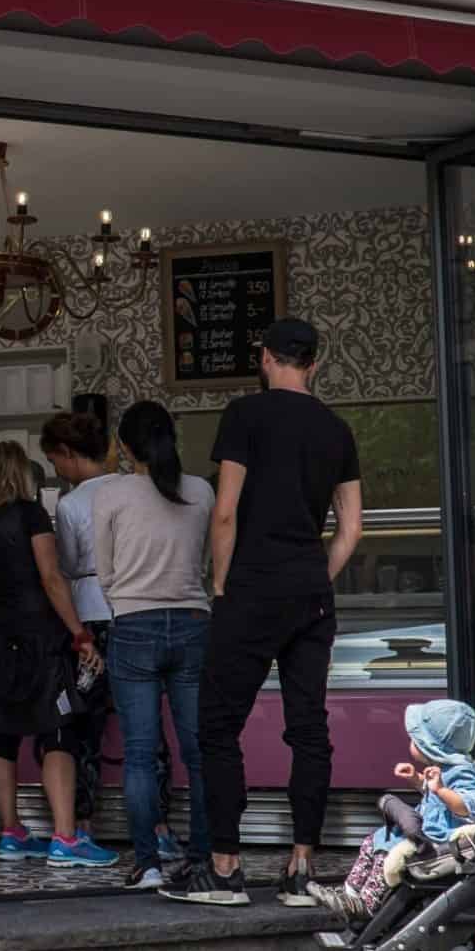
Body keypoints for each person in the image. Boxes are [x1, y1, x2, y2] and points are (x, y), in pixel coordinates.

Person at [167, 317, 361, 909]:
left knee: (219, 724)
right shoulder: (337, 428)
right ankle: (302, 867)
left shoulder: (245, 415)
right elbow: (351, 529)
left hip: (250, 588)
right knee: (309, 728)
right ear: (315, 365)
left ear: (264, 357)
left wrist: (221, 581)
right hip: (309, 595)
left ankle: (225, 869)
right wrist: (314, 578)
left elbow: (224, 511)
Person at [0, 441, 116, 867]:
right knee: (58, 729)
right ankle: (65, 837)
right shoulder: (30, 514)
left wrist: (3, 609)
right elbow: (51, 578)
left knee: (1, 737)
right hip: (40, 638)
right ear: (19, 472)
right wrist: (80, 634)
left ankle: (11, 832)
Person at [93, 400, 214, 888]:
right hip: (192, 622)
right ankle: (205, 856)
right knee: (200, 750)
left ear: (123, 446)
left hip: (133, 622)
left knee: (140, 753)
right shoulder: (201, 491)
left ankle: (147, 864)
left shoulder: (111, 494)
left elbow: (105, 571)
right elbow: (204, 562)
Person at [321, 700, 475, 920]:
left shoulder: (464, 772)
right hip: (423, 827)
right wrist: (417, 780)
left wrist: (440, 789)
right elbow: (434, 799)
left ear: (430, 746)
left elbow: (470, 806)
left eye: (415, 740)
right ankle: (350, 893)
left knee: (386, 854)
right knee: (373, 841)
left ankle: (366, 904)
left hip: (435, 839)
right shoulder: (443, 768)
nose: (410, 742)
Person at [39, 414, 123, 840]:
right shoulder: (131, 487)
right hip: (133, 610)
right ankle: (159, 826)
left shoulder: (70, 505)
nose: (56, 469)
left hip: (90, 613)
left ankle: (84, 823)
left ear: (69, 455)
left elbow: (66, 566)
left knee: (85, 727)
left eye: (55, 460)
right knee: (141, 724)